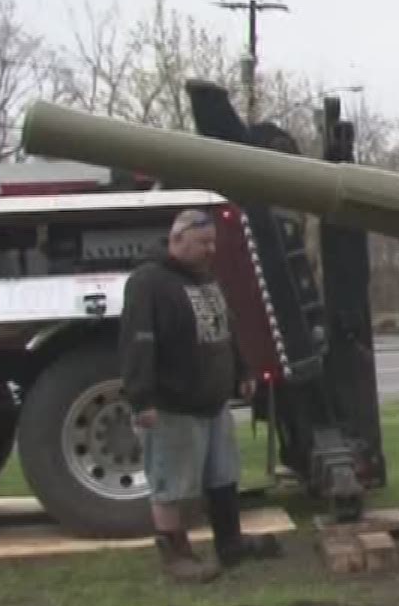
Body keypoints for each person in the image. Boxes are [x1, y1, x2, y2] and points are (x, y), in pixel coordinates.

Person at [120, 209, 281, 584]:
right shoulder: (148, 282)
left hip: (213, 404)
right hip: (173, 406)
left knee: (223, 476)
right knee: (170, 485)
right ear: (177, 239)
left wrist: (242, 371)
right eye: (203, 243)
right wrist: (141, 399)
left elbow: (226, 329)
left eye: (213, 243)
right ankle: (177, 557)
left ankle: (231, 544)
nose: (211, 250)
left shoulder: (206, 279)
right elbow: (137, 343)